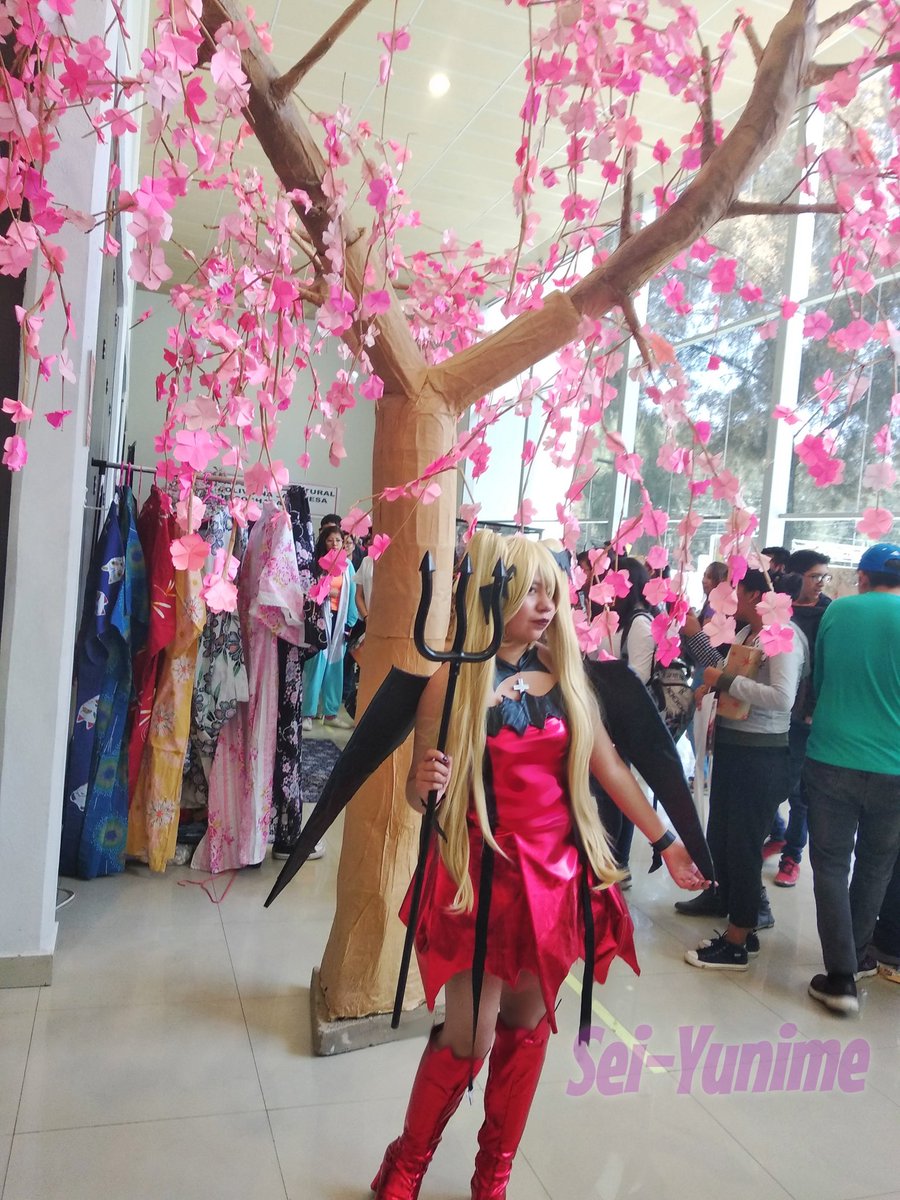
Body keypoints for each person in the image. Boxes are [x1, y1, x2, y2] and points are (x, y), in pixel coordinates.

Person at [372, 532, 708, 1200]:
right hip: (477, 877)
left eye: (551, 591)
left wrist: (666, 840)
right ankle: (405, 1163)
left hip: (551, 883)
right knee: (470, 1035)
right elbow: (418, 793)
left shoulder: (569, 679)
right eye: (529, 590)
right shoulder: (451, 681)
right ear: (490, 593)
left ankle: (492, 1175)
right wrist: (423, 781)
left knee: (527, 1029)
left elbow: (609, 768)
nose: (545, 605)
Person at [681, 569, 808, 970]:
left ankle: (738, 940)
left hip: (761, 755)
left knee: (743, 845)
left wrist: (724, 681)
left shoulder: (782, 637)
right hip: (734, 748)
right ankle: (733, 913)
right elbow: (729, 673)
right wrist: (713, 684)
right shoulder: (747, 633)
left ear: (755, 595)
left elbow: (782, 698)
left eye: (736, 588)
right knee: (721, 837)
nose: (730, 595)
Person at [804, 542, 900, 1014]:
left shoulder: (838, 612)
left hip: (832, 755)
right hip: (895, 767)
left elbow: (820, 682)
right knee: (876, 865)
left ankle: (840, 977)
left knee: (830, 864)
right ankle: (857, 956)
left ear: (862, 577)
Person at [301, 527, 358, 729]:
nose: (335, 544)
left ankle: (331, 713)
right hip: (320, 620)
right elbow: (309, 592)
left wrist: (350, 623)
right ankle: (307, 713)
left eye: (338, 540)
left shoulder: (348, 566)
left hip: (339, 622)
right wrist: (326, 593)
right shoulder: (317, 565)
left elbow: (352, 596)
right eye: (330, 540)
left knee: (336, 666)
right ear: (323, 543)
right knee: (316, 665)